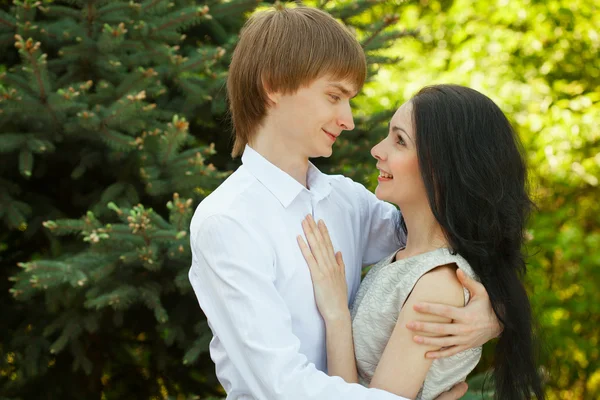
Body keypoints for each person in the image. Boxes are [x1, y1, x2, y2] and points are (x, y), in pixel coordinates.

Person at [188, 6, 502, 400]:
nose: (348, 119)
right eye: (334, 96)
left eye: (350, 100)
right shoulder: (228, 221)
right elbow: (280, 385)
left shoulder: (347, 201)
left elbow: (445, 234)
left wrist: (493, 317)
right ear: (273, 86)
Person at [298, 85, 544, 400]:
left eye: (400, 141)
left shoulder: (438, 285)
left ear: (442, 169)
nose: (377, 149)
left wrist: (336, 314)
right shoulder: (404, 256)